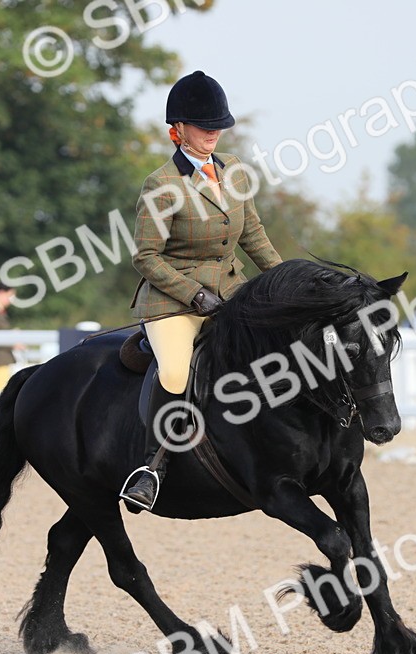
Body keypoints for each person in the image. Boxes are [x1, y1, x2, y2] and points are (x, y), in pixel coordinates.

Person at [121, 70, 283, 510]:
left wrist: (287, 282)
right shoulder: (161, 185)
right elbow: (146, 258)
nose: (213, 132)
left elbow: (254, 237)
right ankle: (151, 466)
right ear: (178, 130)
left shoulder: (234, 171)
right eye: (203, 126)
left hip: (232, 291)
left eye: (218, 126)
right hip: (174, 300)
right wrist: (193, 296)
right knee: (175, 371)